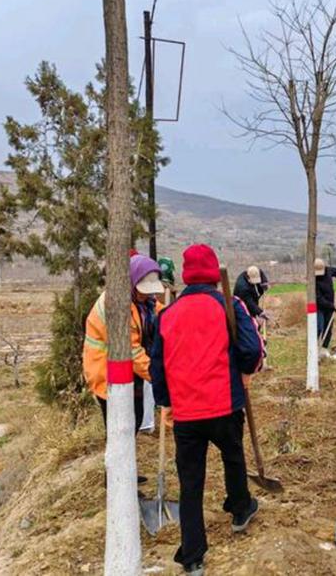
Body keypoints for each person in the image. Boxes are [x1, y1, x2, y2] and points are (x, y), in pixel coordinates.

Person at [150, 244, 263, 576]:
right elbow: (251, 348)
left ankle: (193, 554)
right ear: (214, 274)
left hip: (186, 412)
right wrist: (246, 370)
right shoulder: (229, 305)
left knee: (191, 482)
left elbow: (158, 365)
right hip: (224, 404)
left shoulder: (168, 314)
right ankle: (240, 509)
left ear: (187, 275)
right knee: (233, 456)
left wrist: (165, 401)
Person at [82, 253, 164, 432]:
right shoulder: (116, 306)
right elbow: (132, 352)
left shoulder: (145, 303)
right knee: (121, 428)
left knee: (136, 418)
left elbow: (164, 315)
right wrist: (160, 377)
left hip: (129, 371)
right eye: (143, 290)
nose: (146, 294)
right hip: (107, 373)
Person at [314, 257, 336, 350]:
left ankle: (324, 348)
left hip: (330, 303)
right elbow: (318, 299)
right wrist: (332, 306)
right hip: (318, 307)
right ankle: (314, 347)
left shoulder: (328, 270)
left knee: (328, 327)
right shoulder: (313, 281)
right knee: (319, 327)